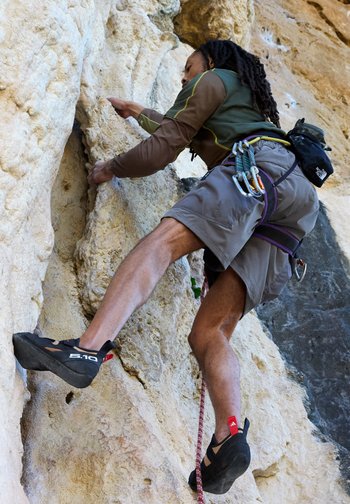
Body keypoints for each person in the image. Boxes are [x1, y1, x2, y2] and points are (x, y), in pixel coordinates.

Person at [13, 40, 319, 495]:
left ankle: (86, 348)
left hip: (256, 172)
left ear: (210, 62)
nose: (184, 77)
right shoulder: (246, 106)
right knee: (211, 332)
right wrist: (139, 111)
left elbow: (164, 148)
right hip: (295, 210)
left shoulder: (215, 78)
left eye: (188, 67)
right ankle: (228, 433)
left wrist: (110, 167)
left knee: (160, 245)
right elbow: (181, 125)